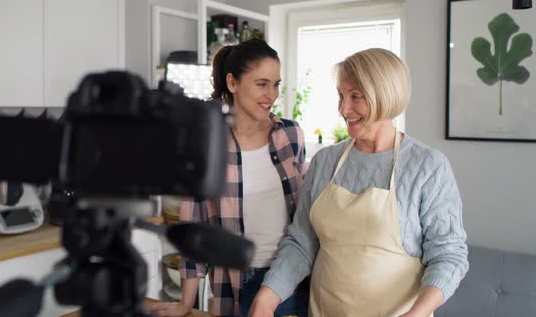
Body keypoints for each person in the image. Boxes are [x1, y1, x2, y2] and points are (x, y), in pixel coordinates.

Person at [249, 48, 469, 317]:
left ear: (385, 97)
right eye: (340, 96)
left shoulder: (427, 167)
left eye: (356, 97)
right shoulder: (325, 162)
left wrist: (417, 313)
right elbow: (302, 243)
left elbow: (449, 255)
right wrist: (267, 296)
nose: (344, 109)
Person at [147, 39, 310, 317]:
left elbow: (304, 214)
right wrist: (186, 303)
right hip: (235, 283)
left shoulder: (290, 134)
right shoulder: (206, 144)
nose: (271, 94)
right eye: (261, 84)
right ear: (232, 83)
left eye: (276, 84)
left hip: (290, 277)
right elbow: (193, 225)